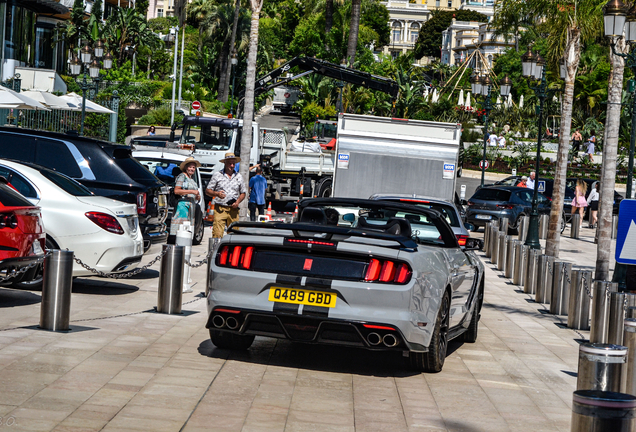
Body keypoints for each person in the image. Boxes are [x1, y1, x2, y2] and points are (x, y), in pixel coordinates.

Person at [206, 153, 246, 238]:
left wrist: (237, 202)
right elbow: (208, 190)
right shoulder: (217, 175)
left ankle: (231, 251)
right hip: (220, 208)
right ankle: (216, 250)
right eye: (229, 163)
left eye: (233, 163)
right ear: (225, 163)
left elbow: (243, 193)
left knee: (234, 234)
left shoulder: (239, 176)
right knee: (217, 233)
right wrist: (217, 194)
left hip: (233, 210)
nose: (232, 166)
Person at [170, 157, 201, 249]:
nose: (191, 169)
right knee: (180, 228)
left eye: (193, 167)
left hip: (191, 206)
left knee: (187, 229)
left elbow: (194, 193)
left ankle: (185, 248)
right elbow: (177, 191)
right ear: (186, 167)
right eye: (190, 167)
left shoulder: (192, 179)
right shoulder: (182, 176)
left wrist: (197, 196)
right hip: (182, 205)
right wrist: (192, 191)